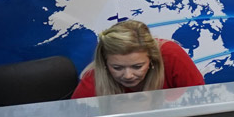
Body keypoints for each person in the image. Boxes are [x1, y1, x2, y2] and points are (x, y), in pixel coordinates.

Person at [71, 19, 206, 98]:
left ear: (152, 58)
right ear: (104, 62)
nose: (128, 75)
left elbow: (200, 101)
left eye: (137, 66)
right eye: (117, 68)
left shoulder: (171, 55)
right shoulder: (93, 81)